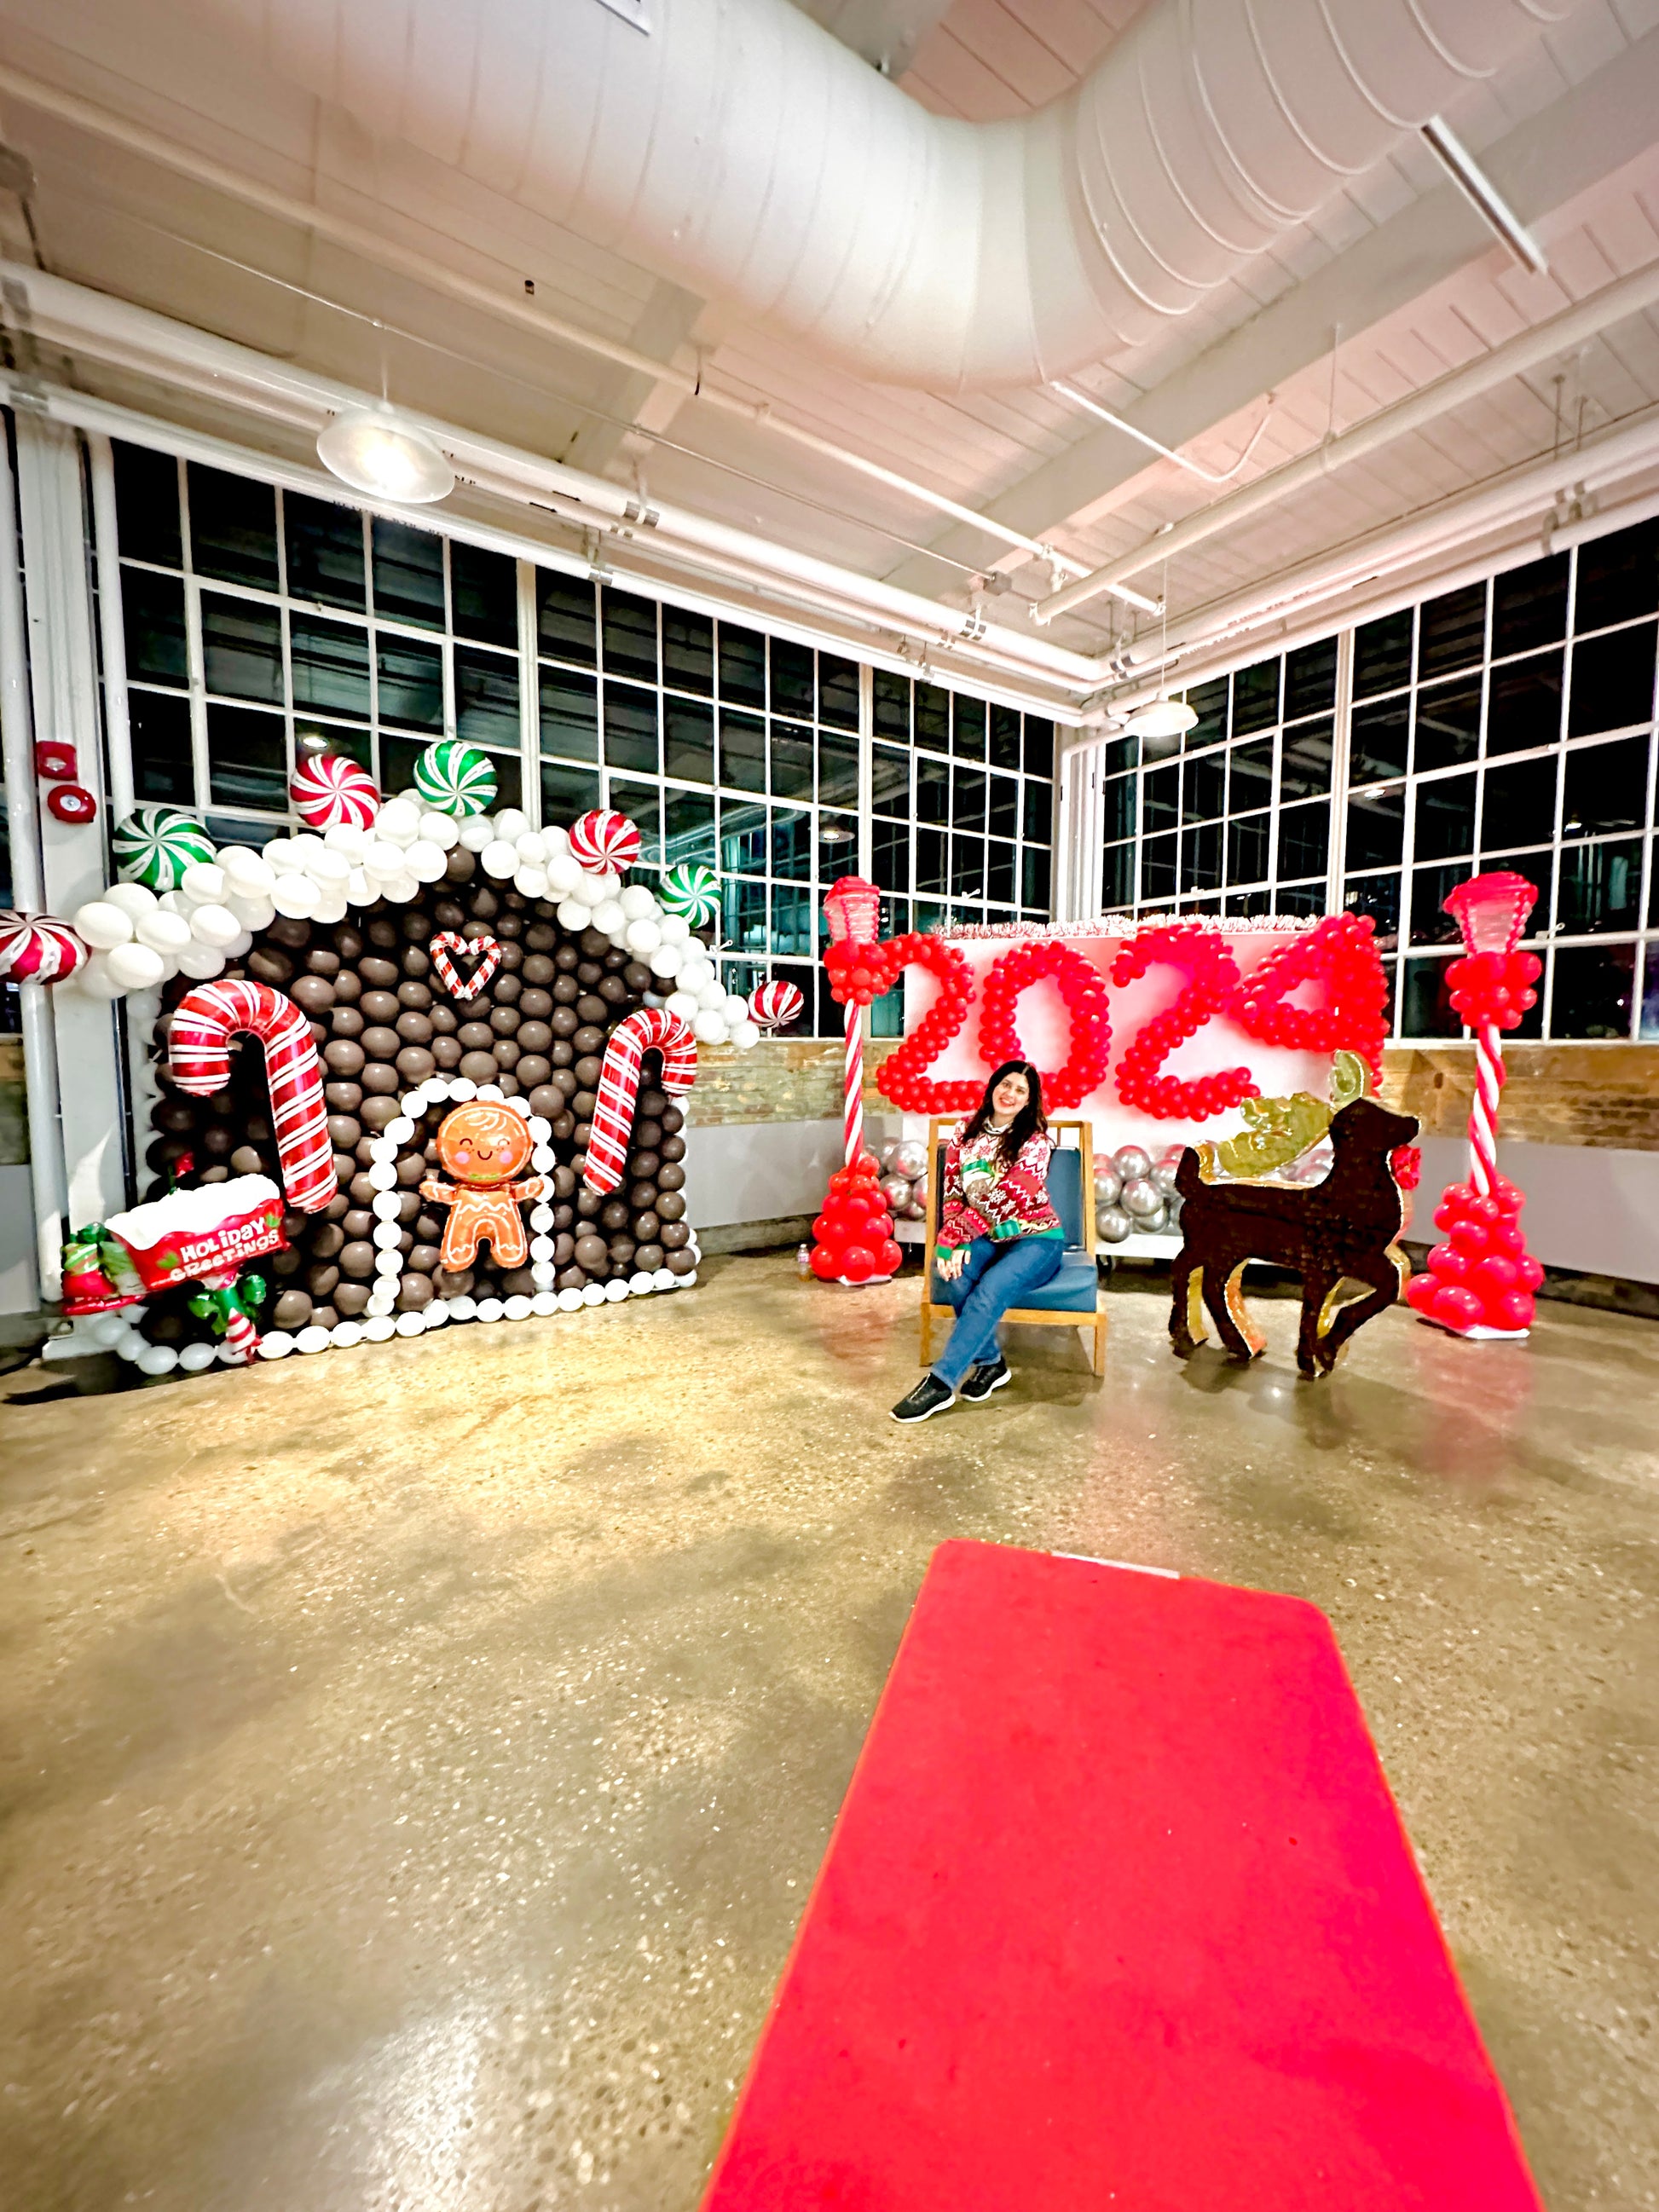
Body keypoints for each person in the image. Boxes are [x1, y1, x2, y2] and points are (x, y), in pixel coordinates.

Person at [890, 1060, 1065, 1423]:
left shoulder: (1036, 1143)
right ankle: (991, 1362)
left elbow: (1009, 1198)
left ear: (1029, 1101)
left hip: (1037, 1239)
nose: (1010, 1094)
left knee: (990, 1288)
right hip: (983, 1233)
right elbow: (953, 1194)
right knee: (955, 1274)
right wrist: (951, 1236)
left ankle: (940, 1382)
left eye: (1021, 1090)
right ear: (993, 1087)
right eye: (1006, 1084)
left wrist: (954, 1236)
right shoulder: (963, 1134)